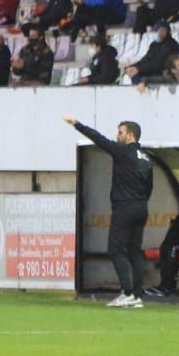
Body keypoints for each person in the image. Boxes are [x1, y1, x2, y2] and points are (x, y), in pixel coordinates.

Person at [66, 116, 153, 308]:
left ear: (130, 135)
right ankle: (137, 296)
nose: (117, 136)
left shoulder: (122, 152)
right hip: (141, 207)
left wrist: (77, 124)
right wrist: (139, 201)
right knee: (135, 251)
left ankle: (127, 292)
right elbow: (149, 187)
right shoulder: (146, 157)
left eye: (120, 132)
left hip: (125, 207)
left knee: (115, 249)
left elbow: (99, 139)